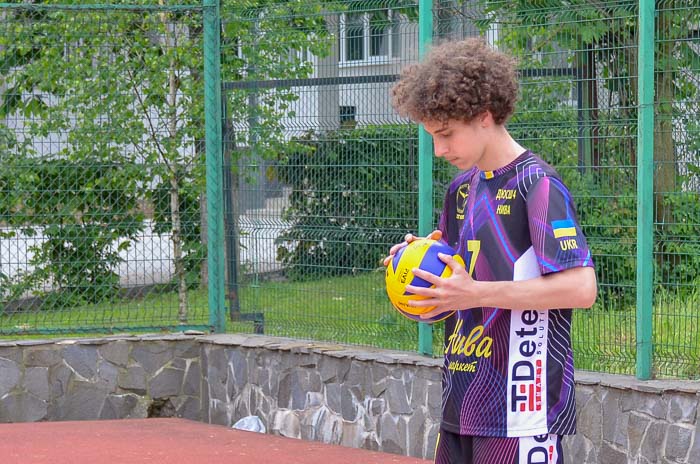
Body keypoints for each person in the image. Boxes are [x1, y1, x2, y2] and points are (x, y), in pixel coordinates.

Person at [385, 38, 597, 464]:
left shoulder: (536, 185)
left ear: (484, 118)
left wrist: (475, 294)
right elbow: (453, 286)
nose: (439, 150)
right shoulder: (461, 189)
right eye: (431, 137)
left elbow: (581, 287)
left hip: (521, 411)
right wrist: (416, 269)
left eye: (446, 135)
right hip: (461, 402)